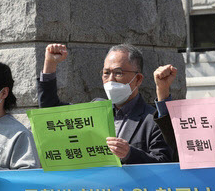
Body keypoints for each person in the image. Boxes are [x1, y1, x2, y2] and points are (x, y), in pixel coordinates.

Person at [37, 43, 173, 163]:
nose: (111, 80)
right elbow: (51, 113)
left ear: (138, 79)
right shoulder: (95, 110)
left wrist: (129, 154)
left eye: (118, 73)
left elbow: (165, 162)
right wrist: (50, 64)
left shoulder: (152, 120)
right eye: (106, 73)